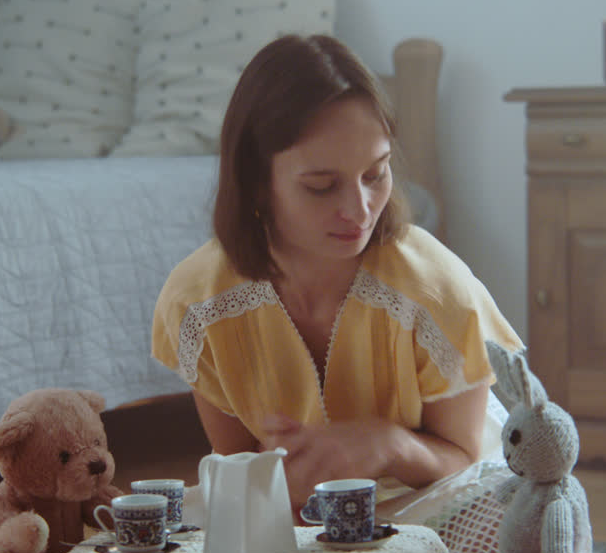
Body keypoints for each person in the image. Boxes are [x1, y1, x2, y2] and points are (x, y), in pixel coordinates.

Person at [151, 34, 522, 514]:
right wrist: (282, 477)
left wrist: (387, 444)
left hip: (436, 500)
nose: (360, 210)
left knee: (507, 525)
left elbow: (466, 461)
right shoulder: (198, 304)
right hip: (297, 520)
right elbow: (242, 474)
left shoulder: (436, 292)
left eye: (376, 174)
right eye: (321, 187)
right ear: (257, 184)